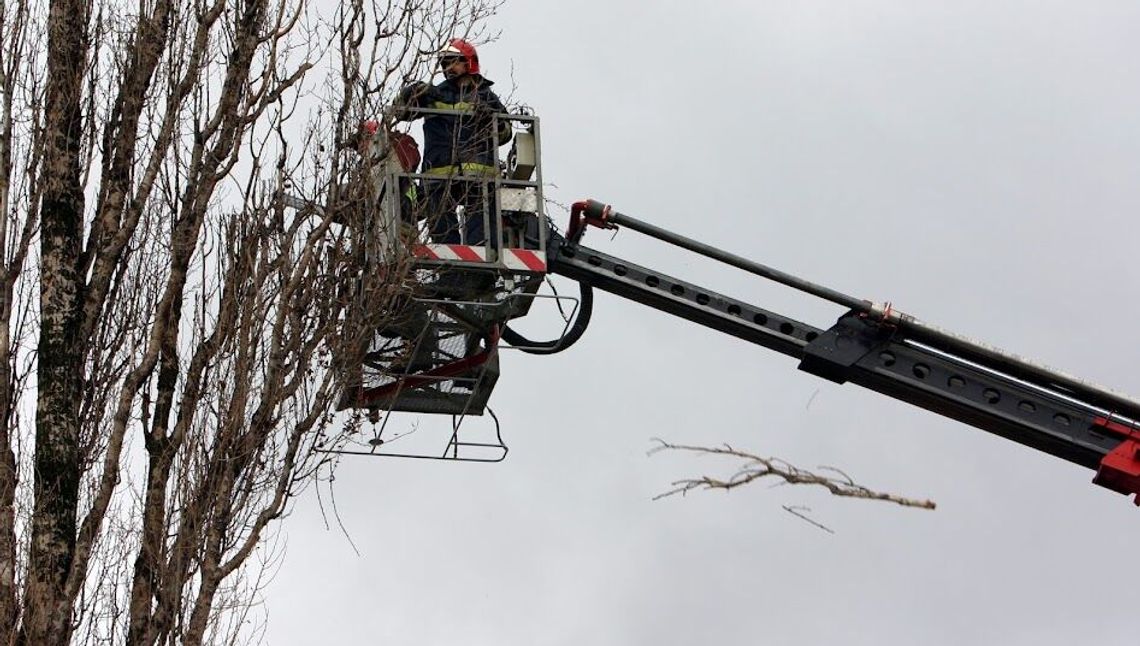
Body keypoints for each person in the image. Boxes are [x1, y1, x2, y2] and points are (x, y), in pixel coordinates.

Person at [396, 38, 513, 246]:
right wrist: (410, 93)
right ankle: (450, 268)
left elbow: (505, 133)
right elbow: (401, 113)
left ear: (469, 62)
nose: (447, 68)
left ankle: (476, 270)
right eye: (444, 64)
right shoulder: (434, 93)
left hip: (479, 175)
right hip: (439, 172)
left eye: (453, 62)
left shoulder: (486, 97)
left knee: (481, 230)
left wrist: (491, 121)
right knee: (440, 226)